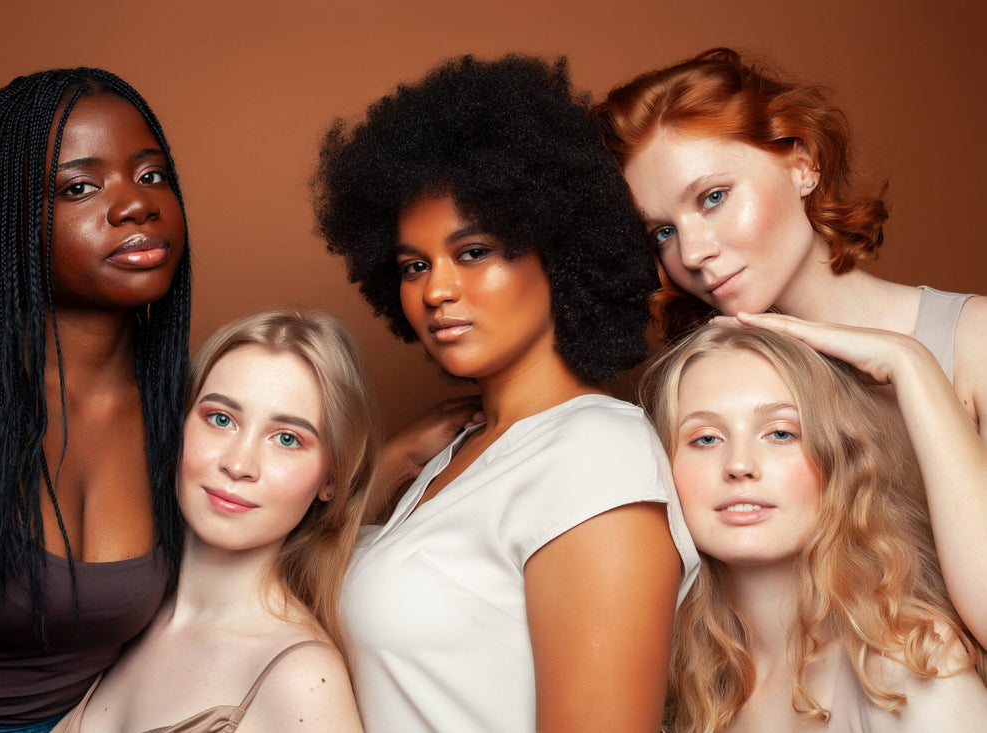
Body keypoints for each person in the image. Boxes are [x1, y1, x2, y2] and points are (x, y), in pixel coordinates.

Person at [313, 54, 699, 731]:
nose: (434, 290)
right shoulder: (454, 452)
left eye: (473, 252)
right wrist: (389, 466)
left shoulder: (594, 454)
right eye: (413, 265)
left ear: (558, 250)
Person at [593, 48, 987, 644]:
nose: (692, 253)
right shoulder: (713, 390)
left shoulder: (973, 341)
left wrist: (910, 364)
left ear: (802, 163)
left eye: (713, 197)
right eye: (663, 232)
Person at [0, 68, 191, 732]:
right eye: (80, 187)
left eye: (151, 175)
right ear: (9, 218)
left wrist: (391, 461)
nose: (135, 205)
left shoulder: (184, 403)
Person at [641, 323, 987, 732]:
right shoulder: (676, 679)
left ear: (844, 462)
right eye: (706, 439)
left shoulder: (911, 662)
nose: (738, 465)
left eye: (781, 433)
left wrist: (907, 359)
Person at [51, 310, 372, 733]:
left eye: (287, 439)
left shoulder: (304, 683)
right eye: (221, 419)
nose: (239, 464)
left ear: (331, 478)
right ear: (179, 424)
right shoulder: (122, 615)